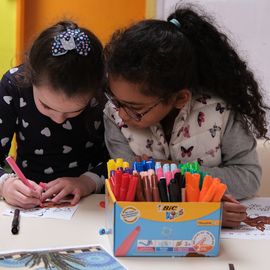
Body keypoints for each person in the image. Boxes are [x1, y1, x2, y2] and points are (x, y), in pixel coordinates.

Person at [103, 5, 269, 227]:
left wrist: (176, 173)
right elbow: (132, 191)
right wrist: (202, 210)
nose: (122, 115)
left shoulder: (220, 112)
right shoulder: (114, 115)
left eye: (135, 107)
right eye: (117, 101)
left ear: (180, 98)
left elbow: (248, 178)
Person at [0, 20, 108, 209]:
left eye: (74, 111)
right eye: (46, 106)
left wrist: (88, 182)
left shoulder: (105, 93)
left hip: (90, 203)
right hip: (27, 199)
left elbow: (121, 160)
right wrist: (5, 184)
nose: (58, 119)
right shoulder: (14, 85)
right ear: (30, 78)